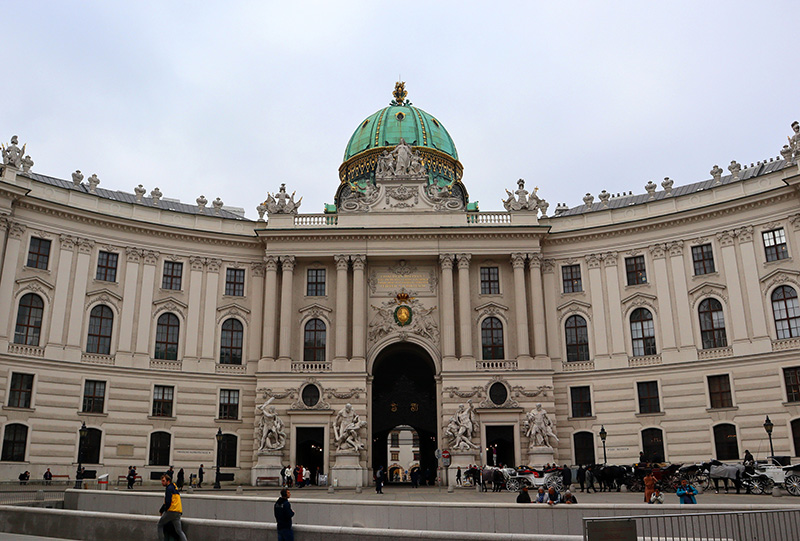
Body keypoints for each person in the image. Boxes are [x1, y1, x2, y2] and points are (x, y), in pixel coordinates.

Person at [157, 473, 188, 541]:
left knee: (160, 525)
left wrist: (164, 510)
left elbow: (168, 502)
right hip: (178, 511)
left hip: (171, 511)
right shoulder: (174, 487)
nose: (162, 482)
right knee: (179, 531)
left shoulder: (169, 489)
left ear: (168, 481)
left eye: (163, 481)